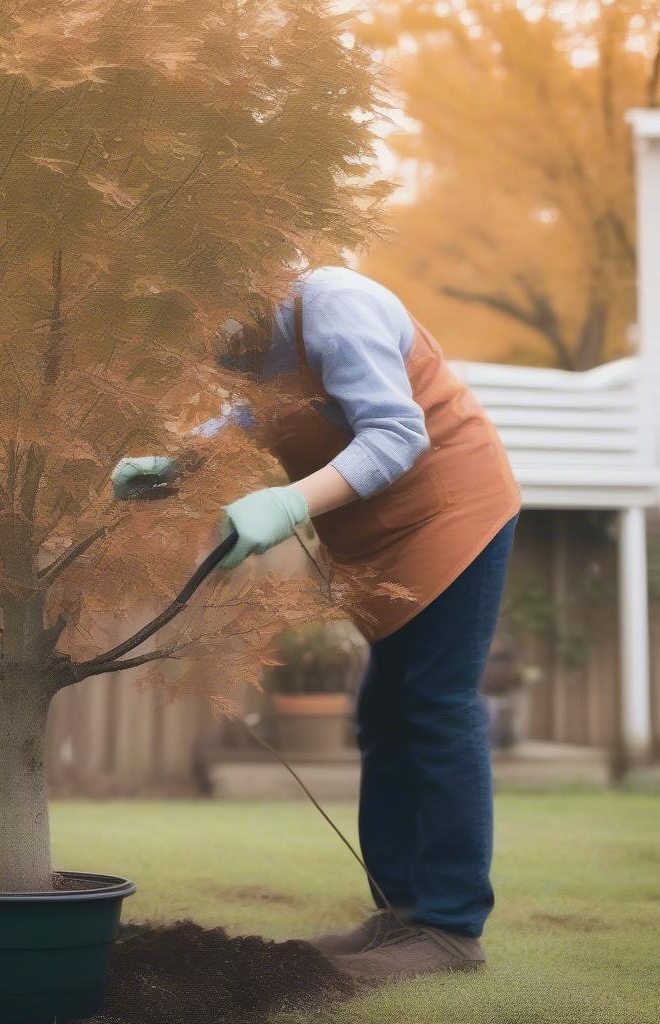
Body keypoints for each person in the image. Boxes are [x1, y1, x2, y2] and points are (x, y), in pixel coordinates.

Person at [112, 265, 522, 981]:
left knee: (435, 703)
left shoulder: (333, 305)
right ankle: (402, 917)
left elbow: (398, 434)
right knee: (385, 714)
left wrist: (288, 503)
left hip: (456, 512)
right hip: (380, 538)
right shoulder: (251, 340)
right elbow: (257, 416)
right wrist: (179, 462)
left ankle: (452, 930)